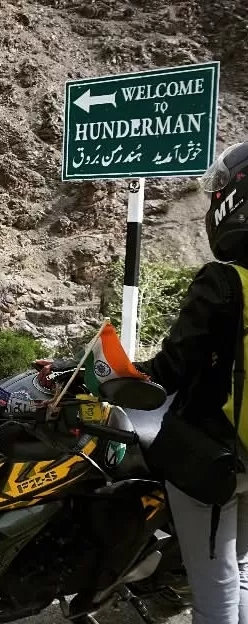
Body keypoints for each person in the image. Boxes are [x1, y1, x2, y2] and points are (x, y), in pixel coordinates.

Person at [134, 141, 248, 624]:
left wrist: (120, 376)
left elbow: (171, 370)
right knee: (240, 569)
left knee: (214, 589)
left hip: (213, 457)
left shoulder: (224, 281)